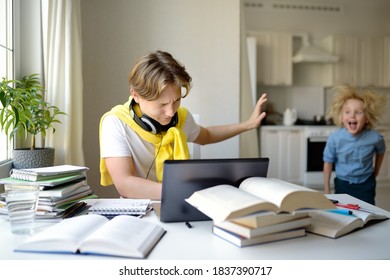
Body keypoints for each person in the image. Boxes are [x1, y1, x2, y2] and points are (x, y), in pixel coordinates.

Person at [99, 50, 267, 199]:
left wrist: (248, 125)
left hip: (179, 203)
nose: (171, 112)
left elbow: (207, 135)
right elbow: (125, 184)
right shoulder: (115, 123)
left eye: (177, 100)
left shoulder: (180, 118)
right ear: (136, 95)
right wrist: (184, 191)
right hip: (139, 212)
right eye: (162, 104)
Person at [323, 85, 387, 205]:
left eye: (358, 112)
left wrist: (376, 171)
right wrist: (327, 188)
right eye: (347, 112)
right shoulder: (335, 138)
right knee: (343, 212)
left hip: (366, 184)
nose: (352, 115)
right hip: (342, 183)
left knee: (367, 211)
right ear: (341, 117)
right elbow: (328, 162)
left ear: (367, 118)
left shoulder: (375, 138)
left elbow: (381, 151)